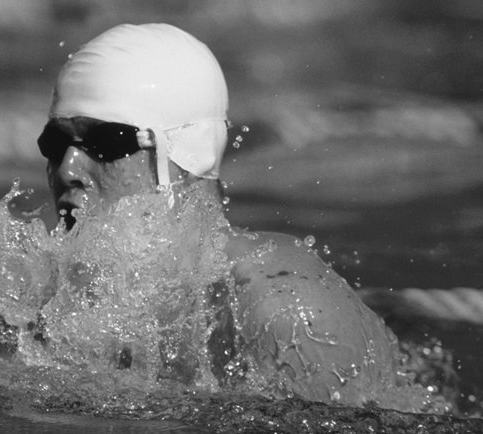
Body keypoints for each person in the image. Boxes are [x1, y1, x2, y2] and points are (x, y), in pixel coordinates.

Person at [36, 23, 401, 406]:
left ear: (184, 154)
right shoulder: (61, 298)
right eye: (56, 143)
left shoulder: (283, 310)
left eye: (103, 143)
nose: (67, 169)